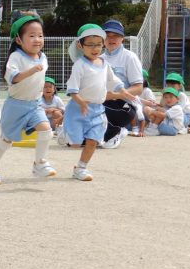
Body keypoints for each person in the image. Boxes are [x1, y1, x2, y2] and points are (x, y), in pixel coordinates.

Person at [0, 14, 56, 185]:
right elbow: (13, 77)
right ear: (18, 40)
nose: (37, 39)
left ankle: (39, 163)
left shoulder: (42, 57)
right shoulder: (16, 57)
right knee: (6, 141)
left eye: (40, 35)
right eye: (31, 36)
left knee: (46, 130)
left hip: (35, 105)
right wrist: (31, 71)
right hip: (16, 105)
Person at [62, 24, 133, 181]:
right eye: (90, 45)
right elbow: (72, 89)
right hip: (78, 108)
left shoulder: (104, 63)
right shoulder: (79, 65)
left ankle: (81, 167)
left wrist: (122, 89)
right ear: (80, 45)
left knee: (93, 141)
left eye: (99, 44)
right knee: (74, 144)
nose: (95, 49)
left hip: (97, 109)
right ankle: (64, 130)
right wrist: (80, 102)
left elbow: (112, 79)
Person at [99, 19, 144, 149]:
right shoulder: (100, 59)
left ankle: (116, 130)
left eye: (116, 35)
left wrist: (115, 95)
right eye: (107, 35)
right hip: (104, 101)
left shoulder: (129, 57)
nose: (111, 39)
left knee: (97, 111)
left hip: (125, 106)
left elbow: (138, 88)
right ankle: (113, 131)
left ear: (122, 39)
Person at [130, 70, 155, 136]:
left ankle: (142, 128)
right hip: (135, 115)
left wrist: (137, 99)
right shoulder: (131, 89)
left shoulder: (147, 90)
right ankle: (135, 127)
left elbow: (151, 103)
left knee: (141, 110)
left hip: (144, 114)